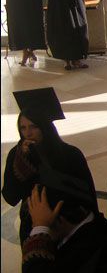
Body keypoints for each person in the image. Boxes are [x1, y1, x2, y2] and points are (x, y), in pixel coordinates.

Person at [3, 88, 97, 245]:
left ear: (45, 127)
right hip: (33, 227)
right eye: (23, 128)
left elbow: (87, 196)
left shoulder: (71, 154)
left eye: (33, 126)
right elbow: (10, 196)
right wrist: (22, 162)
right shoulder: (16, 154)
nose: (28, 133)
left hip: (70, 226)